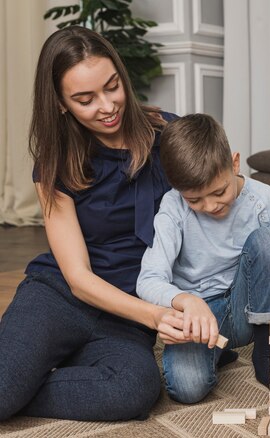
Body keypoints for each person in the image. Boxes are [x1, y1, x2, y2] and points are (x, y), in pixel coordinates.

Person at [0, 26, 190, 421]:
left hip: (126, 317)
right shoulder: (54, 165)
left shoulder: (168, 132)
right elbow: (78, 279)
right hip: (58, 298)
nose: (107, 106)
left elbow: (230, 184)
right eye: (85, 99)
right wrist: (156, 316)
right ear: (60, 104)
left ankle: (26, 384)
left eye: (112, 86)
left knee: (133, 390)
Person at [136, 113, 270, 404]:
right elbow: (148, 280)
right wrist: (186, 301)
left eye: (219, 192)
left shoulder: (262, 198)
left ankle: (267, 350)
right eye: (195, 200)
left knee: (269, 240)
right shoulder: (172, 208)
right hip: (202, 316)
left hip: (249, 306)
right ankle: (219, 351)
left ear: (235, 164)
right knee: (187, 388)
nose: (210, 206)